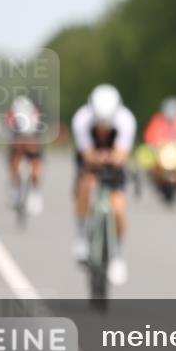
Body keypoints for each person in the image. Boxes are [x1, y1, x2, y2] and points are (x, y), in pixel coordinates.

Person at [71, 83, 136, 285]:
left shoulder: (126, 120)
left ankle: (118, 256)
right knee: (86, 185)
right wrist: (99, 158)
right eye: (99, 124)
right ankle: (81, 238)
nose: (102, 129)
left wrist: (113, 158)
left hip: (114, 163)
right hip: (90, 160)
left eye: (106, 125)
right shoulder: (81, 119)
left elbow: (121, 155)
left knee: (118, 208)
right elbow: (87, 155)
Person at [5, 95, 44, 215]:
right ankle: (17, 190)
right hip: (21, 137)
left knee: (35, 163)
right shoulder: (13, 114)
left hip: (31, 137)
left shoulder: (33, 113)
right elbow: (9, 128)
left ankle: (33, 191)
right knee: (15, 159)